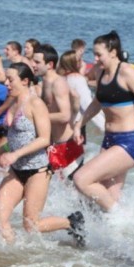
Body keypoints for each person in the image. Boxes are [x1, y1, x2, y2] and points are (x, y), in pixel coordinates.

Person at [0, 62, 83, 245]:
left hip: (38, 171)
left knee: (31, 225)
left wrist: (15, 155)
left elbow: (44, 139)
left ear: (25, 81)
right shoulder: (14, 103)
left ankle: (72, 222)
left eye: (10, 79)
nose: (6, 83)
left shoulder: (35, 104)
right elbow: (15, 139)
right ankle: (10, 258)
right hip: (16, 170)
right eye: (6, 79)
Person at [72, 30, 134, 212]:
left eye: (98, 55)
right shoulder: (99, 71)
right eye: (93, 54)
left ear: (113, 52)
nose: (94, 59)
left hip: (130, 142)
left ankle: (119, 218)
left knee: (81, 179)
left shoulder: (127, 73)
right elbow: (97, 103)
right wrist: (80, 124)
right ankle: (114, 235)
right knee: (107, 196)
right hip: (109, 139)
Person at [38, 46, 84, 180]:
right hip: (53, 145)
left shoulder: (58, 83)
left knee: (77, 195)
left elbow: (64, 116)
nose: (32, 65)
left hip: (67, 146)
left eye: (37, 62)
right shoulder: (45, 82)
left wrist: (37, 118)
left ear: (49, 65)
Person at [59, 48, 105, 133]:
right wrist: (104, 126)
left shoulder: (62, 79)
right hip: (77, 123)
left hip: (65, 122)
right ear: (74, 64)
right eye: (80, 60)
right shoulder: (78, 79)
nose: (83, 61)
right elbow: (86, 104)